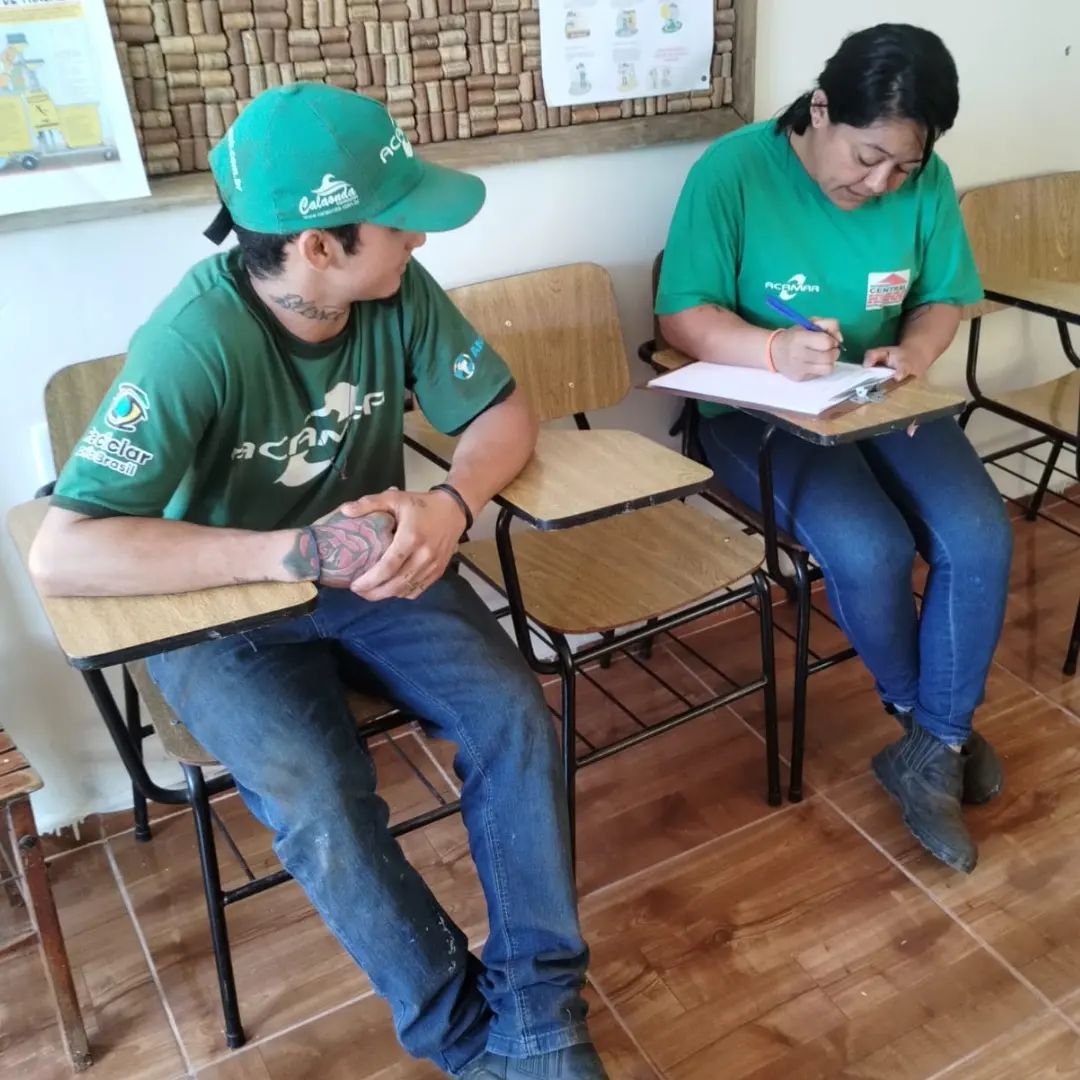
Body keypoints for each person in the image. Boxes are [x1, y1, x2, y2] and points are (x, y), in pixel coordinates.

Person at [29, 84, 608, 1080]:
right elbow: (63, 552)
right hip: (220, 607)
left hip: (371, 566)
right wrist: (284, 553)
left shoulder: (397, 291)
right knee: (320, 795)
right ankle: (469, 1043)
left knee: (512, 713)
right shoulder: (193, 341)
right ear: (319, 248)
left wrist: (452, 503)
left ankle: (540, 1015)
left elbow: (503, 414)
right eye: (399, 222)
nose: (418, 239)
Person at [656, 23, 1013, 875]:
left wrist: (914, 352)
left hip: (875, 396)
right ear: (820, 108)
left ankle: (935, 743)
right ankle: (928, 726)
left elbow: (942, 297)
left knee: (980, 534)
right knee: (869, 545)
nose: (880, 182)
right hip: (756, 412)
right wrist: (771, 350)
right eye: (867, 156)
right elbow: (682, 315)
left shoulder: (923, 183)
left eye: (904, 168)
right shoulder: (733, 172)